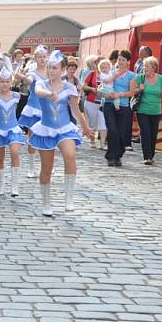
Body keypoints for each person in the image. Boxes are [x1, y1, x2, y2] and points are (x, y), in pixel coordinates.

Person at [29, 51, 92, 215]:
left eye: (54, 68)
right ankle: (46, 203)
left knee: (70, 155)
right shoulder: (41, 83)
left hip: (65, 128)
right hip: (46, 129)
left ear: (63, 70)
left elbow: (75, 110)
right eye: (49, 67)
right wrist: (49, 94)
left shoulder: (70, 88)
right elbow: (38, 92)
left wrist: (85, 127)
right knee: (46, 167)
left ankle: (69, 198)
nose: (51, 70)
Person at [0, 66, 25, 196]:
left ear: (11, 83)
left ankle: (15, 186)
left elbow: (27, 95)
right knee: (0, 157)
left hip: (13, 128)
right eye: (2, 81)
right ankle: (0, 184)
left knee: (15, 152)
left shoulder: (16, 95)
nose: (4, 84)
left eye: (7, 81)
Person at [99, 49, 136, 167]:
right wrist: (104, 93)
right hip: (109, 104)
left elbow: (131, 92)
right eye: (119, 59)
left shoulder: (131, 75)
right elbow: (101, 87)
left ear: (128, 62)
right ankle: (110, 157)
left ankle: (118, 155)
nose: (120, 62)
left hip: (123, 105)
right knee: (112, 130)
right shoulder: (110, 72)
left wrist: (119, 95)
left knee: (121, 132)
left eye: (123, 60)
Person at [18, 45, 48, 178]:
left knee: (47, 137)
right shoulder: (32, 72)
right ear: (35, 58)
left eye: (44, 57)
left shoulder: (51, 72)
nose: (42, 59)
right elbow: (29, 81)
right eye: (39, 57)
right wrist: (23, 77)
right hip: (33, 107)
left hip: (47, 108)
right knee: (32, 136)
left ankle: (47, 165)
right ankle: (31, 167)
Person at [134, 56, 162, 165]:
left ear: (154, 67)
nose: (145, 68)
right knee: (145, 132)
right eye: (144, 66)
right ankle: (147, 156)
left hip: (156, 111)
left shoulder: (160, 79)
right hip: (142, 110)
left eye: (147, 66)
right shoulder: (140, 78)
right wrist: (139, 89)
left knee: (153, 134)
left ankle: (151, 154)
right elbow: (132, 91)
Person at [81, 56, 107, 149]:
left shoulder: (108, 75)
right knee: (92, 123)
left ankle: (102, 144)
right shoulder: (92, 74)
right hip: (91, 101)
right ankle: (92, 141)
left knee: (103, 122)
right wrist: (93, 89)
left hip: (103, 102)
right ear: (95, 65)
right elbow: (84, 86)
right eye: (98, 63)